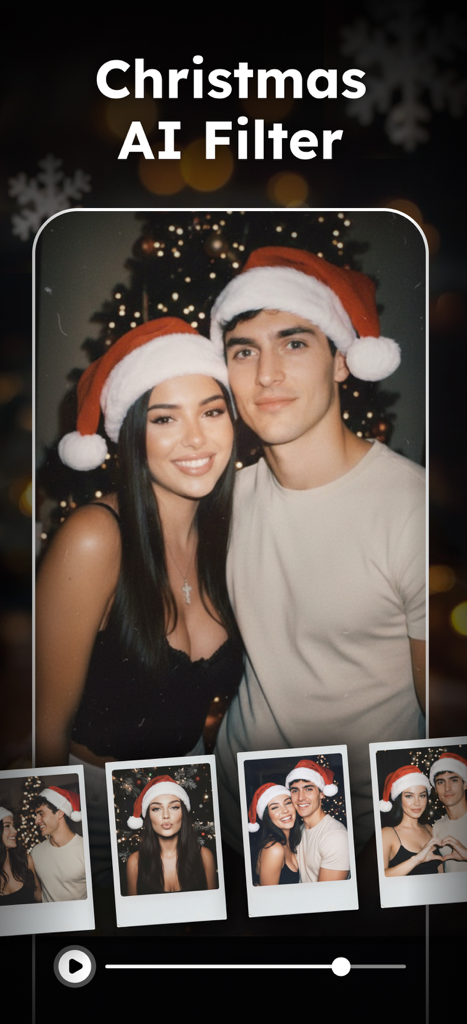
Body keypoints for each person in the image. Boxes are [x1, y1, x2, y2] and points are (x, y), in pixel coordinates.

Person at [210, 246, 426, 853]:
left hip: (365, 833)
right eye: (244, 351)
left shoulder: (413, 511)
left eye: (295, 343)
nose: (266, 374)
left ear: (342, 361)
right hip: (234, 812)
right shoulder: (222, 504)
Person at [35, 317, 243, 882]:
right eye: (164, 418)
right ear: (131, 434)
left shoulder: (227, 534)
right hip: (91, 811)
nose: (196, 439)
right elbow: (42, 732)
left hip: (187, 796)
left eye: (212, 411)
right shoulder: (94, 538)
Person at [125, 775, 217, 894]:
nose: (166, 815)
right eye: (156, 809)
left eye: (174, 807)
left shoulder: (204, 857)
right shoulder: (134, 862)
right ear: (148, 817)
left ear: (183, 813)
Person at [285, 760, 349, 883]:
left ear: (322, 794)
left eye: (308, 789)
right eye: (295, 790)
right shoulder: (299, 830)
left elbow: (328, 893)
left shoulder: (335, 836)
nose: (301, 798)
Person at [380, 766, 441, 876]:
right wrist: (417, 859)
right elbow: (380, 877)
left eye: (422, 795)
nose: (417, 803)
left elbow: (439, 869)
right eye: (409, 796)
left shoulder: (429, 829)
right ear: (399, 798)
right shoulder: (387, 834)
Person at [30, 786, 87, 901]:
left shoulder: (85, 849)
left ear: (60, 813)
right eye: (36, 815)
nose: (36, 821)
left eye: (41, 814)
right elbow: (38, 895)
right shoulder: (35, 852)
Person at [248, 782, 300, 885]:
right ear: (267, 816)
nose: (285, 810)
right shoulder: (274, 849)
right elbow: (268, 894)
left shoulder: (292, 841)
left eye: (287, 803)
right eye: (275, 807)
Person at [0, 805, 41, 905]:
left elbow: (39, 898)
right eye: (7, 826)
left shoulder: (26, 861)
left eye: (13, 825)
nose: (15, 831)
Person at [430, 752, 467, 872]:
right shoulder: (437, 826)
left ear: (465, 784)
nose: (447, 788)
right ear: (436, 789)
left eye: (454, 780)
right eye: (440, 782)